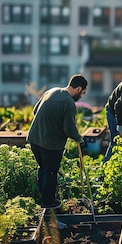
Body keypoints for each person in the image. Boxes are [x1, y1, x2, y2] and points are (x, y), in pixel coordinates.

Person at [27, 74, 88, 209]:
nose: (81, 96)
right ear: (78, 89)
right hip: (50, 144)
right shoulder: (69, 103)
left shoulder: (51, 91)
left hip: (34, 139)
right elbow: (69, 129)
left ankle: (42, 199)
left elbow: (35, 110)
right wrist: (79, 138)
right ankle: (48, 204)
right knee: (50, 172)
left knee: (43, 169)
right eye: (83, 92)